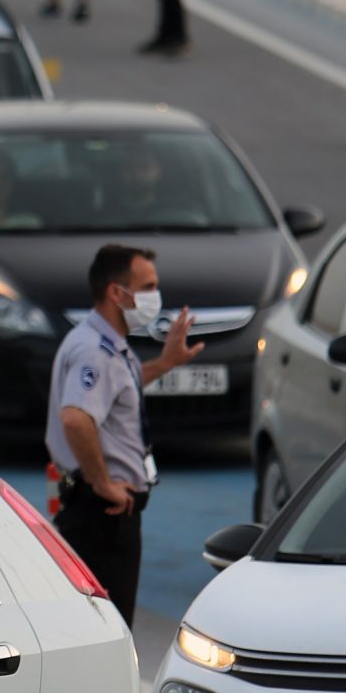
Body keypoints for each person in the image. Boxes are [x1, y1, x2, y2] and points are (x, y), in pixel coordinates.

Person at [44, 242, 205, 625]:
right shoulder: (95, 352)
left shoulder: (106, 345)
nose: (155, 297)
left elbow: (117, 387)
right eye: (147, 287)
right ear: (117, 293)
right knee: (108, 631)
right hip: (102, 514)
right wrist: (102, 483)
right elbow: (75, 418)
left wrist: (165, 363)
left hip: (104, 512)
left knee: (103, 629)